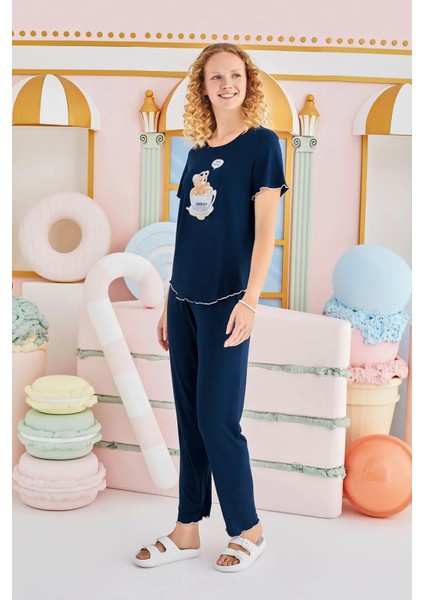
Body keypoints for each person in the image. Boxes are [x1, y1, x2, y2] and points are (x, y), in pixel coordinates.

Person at [135, 42, 288, 573]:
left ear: (249, 83)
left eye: (236, 75)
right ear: (202, 87)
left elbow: (266, 233)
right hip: (183, 299)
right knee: (189, 418)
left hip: (229, 302)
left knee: (217, 418)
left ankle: (249, 528)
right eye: (216, 77)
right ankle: (186, 528)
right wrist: (167, 301)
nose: (227, 85)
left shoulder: (263, 144)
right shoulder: (197, 152)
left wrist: (252, 300)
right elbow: (187, 232)